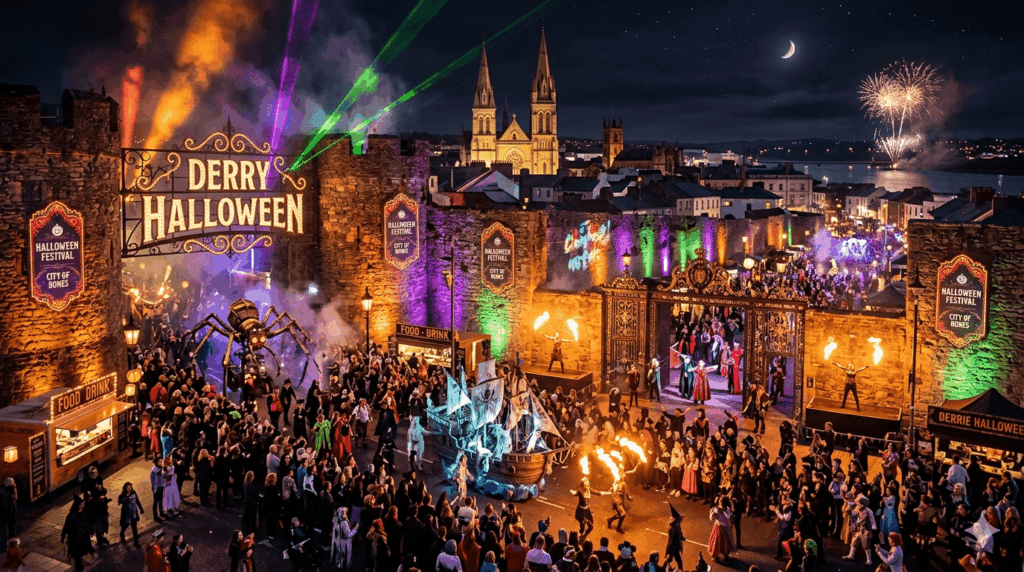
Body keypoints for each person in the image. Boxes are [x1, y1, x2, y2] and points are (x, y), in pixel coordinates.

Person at [61, 497, 93, 572]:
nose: (83, 505)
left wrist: (90, 530)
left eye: (83, 503)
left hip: (83, 536)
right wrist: (63, 536)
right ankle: (79, 566)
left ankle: (79, 564)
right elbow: (66, 526)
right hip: (74, 538)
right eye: (81, 504)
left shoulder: (85, 512)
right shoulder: (71, 516)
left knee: (81, 551)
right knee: (76, 553)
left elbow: (89, 522)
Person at [707, 497, 733, 563]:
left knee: (717, 541)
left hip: (719, 527)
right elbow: (729, 518)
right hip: (726, 527)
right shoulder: (727, 509)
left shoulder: (717, 509)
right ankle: (725, 555)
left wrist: (713, 513)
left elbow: (711, 518)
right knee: (725, 542)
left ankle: (716, 556)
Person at [118, 482, 145, 547]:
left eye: (130, 487)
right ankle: (122, 533)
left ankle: (136, 542)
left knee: (134, 527)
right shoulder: (122, 495)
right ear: (125, 488)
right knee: (125, 525)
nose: (129, 489)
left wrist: (141, 509)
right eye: (127, 488)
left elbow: (137, 501)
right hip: (126, 514)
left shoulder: (133, 492)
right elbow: (119, 502)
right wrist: (126, 498)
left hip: (133, 513)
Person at [665, 506, 685, 571]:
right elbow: (672, 539)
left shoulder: (675, 525)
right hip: (674, 547)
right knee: (679, 562)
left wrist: (682, 537)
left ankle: (664, 567)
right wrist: (669, 549)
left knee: (670, 559)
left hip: (674, 547)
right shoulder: (675, 529)